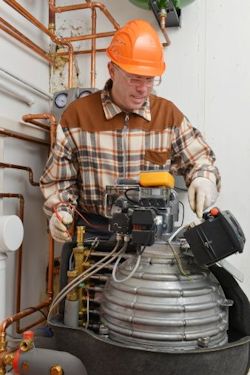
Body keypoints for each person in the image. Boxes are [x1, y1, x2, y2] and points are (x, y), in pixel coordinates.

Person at [40, 19, 220, 243]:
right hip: (94, 236)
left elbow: (200, 159)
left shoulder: (168, 115)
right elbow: (58, 181)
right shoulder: (77, 116)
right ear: (112, 71)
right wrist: (61, 211)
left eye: (150, 79)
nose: (143, 88)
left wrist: (204, 179)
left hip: (153, 235)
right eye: (134, 78)